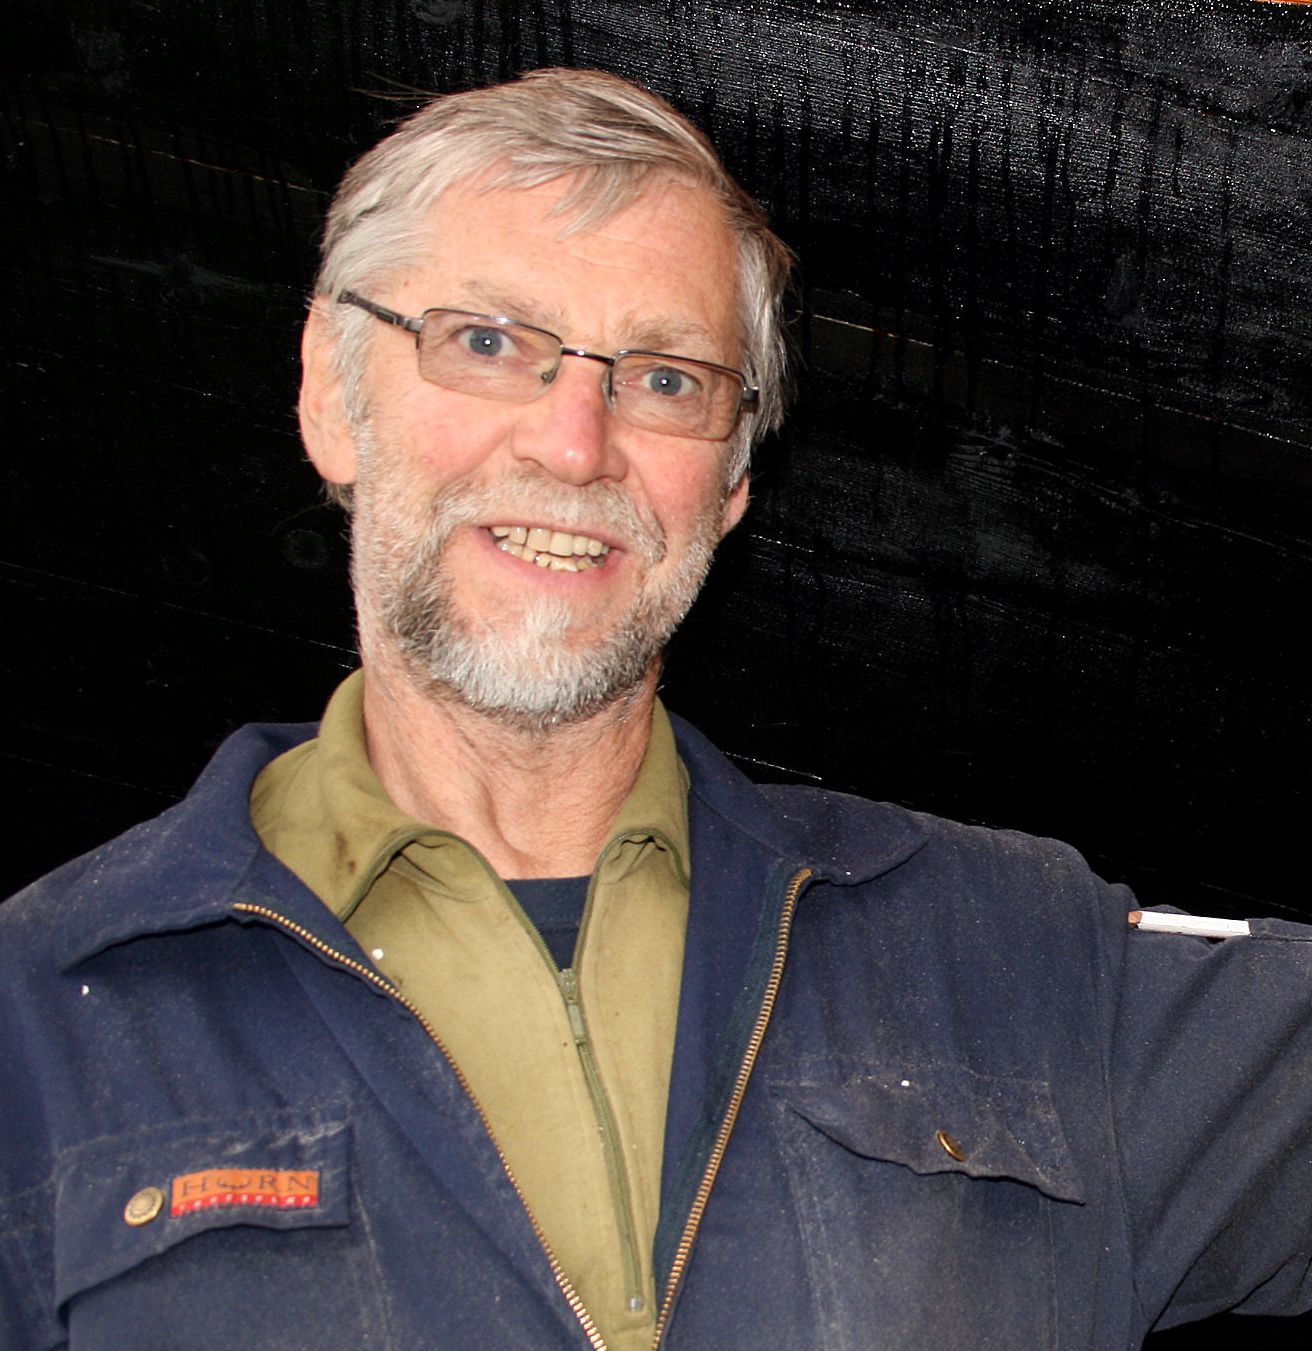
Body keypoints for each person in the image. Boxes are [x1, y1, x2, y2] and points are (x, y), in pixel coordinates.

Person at [0, 67, 1307, 1351]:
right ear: (330, 396)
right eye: (489, 342)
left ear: (732, 486)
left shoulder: (1014, 960)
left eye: (668, 378)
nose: (576, 444)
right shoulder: (36, 1022)